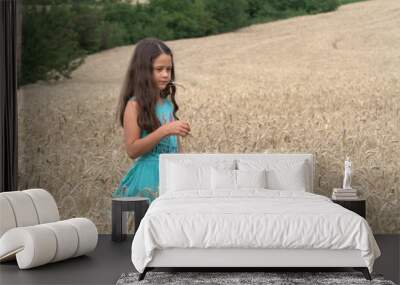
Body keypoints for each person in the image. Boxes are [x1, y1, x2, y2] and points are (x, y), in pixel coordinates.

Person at [113, 37, 191, 203]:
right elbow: (132, 150)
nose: (165, 75)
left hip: (172, 178)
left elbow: (177, 151)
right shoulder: (134, 105)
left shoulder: (168, 105)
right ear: (143, 71)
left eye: (169, 69)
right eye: (159, 69)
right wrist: (165, 130)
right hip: (148, 178)